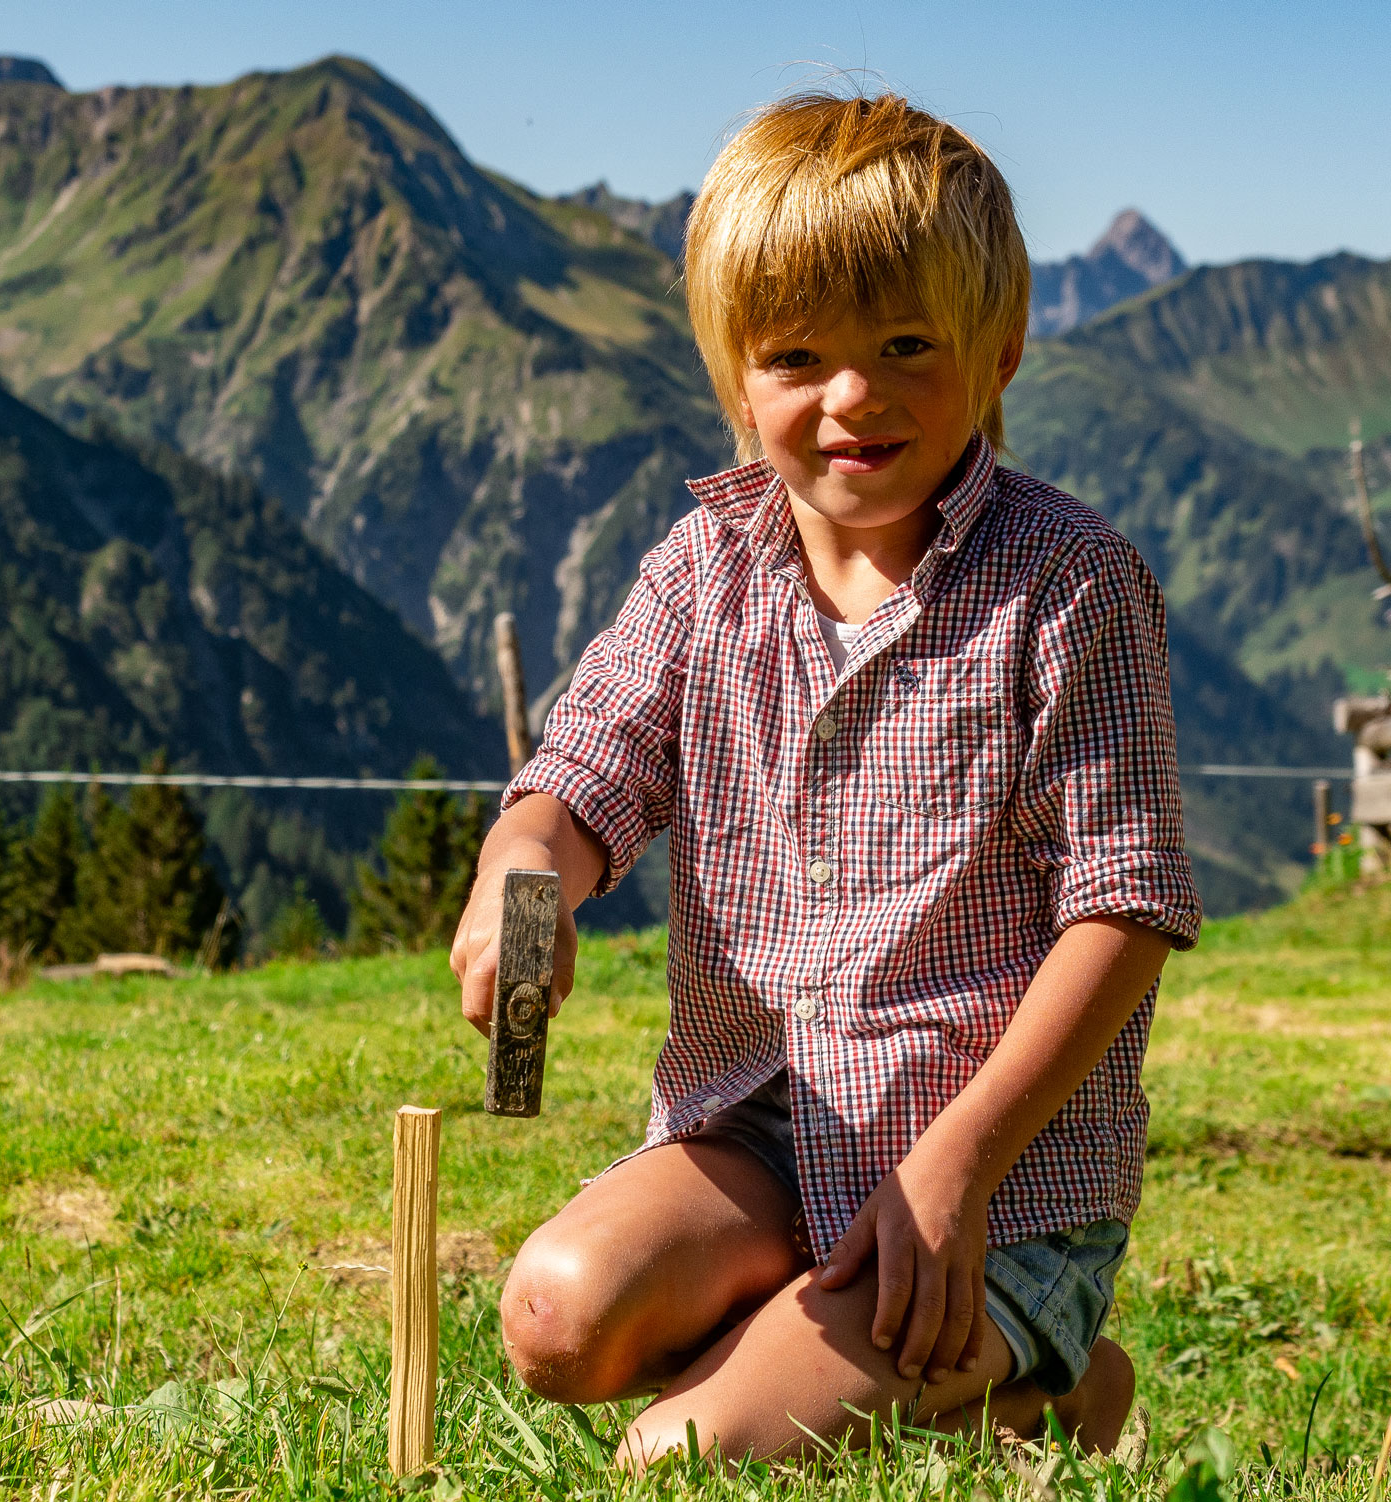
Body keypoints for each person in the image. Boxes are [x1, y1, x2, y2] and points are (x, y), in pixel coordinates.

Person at [449, 89, 1201, 1471]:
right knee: (556, 1320)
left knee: (681, 1455)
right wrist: (521, 872)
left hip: (996, 1174)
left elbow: (1125, 913)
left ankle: (1043, 1370)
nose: (853, 394)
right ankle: (866, 1348)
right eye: (797, 354)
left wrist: (956, 1168)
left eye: (906, 344)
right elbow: (583, 774)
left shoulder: (1071, 586)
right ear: (738, 380)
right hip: (761, 1124)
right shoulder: (702, 572)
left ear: (1000, 350)